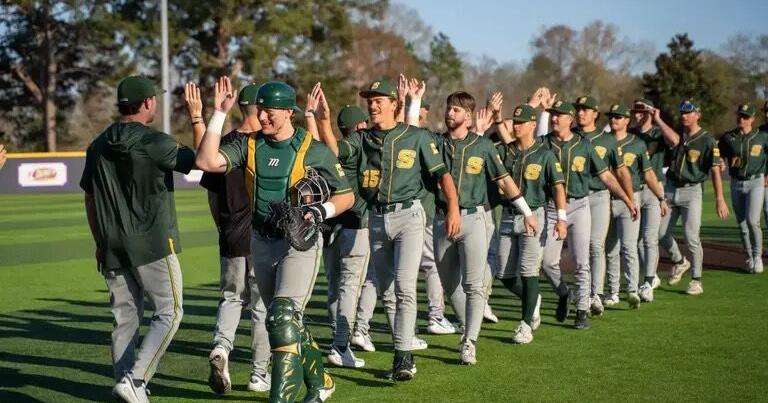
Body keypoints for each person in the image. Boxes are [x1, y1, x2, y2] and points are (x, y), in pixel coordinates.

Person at [195, 77, 353, 402]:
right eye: (260, 110)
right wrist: (218, 113)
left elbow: (347, 195)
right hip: (261, 241)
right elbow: (206, 162)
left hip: (299, 243)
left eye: (270, 111)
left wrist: (320, 211)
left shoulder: (313, 149)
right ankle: (322, 382)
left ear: (288, 112)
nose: (263, 116)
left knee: (282, 317)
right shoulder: (249, 144)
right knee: (282, 322)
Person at [80, 75, 194, 402]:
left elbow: (90, 198)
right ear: (147, 103)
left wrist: (100, 242)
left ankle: (126, 383)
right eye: (154, 98)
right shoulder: (155, 141)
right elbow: (200, 162)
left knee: (125, 319)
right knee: (170, 312)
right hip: (152, 243)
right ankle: (136, 379)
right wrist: (198, 117)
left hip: (112, 245)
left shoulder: (97, 145)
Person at [337, 78, 461, 381]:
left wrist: (453, 208)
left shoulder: (417, 136)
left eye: (379, 100)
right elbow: (333, 151)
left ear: (394, 104)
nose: (372, 105)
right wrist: (319, 119)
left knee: (405, 286)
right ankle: (402, 350)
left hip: (409, 216)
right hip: (377, 218)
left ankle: (403, 355)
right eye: (370, 100)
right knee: (387, 290)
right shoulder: (362, 138)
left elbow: (442, 175)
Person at [429, 91, 535, 364]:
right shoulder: (435, 142)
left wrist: (527, 212)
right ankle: (468, 326)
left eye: (456, 109)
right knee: (449, 284)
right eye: (448, 108)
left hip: (474, 220)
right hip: (442, 220)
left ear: (468, 116)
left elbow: (505, 181)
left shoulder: (484, 146)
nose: (449, 113)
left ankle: (470, 341)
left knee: (474, 285)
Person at [540, 100, 637, 329]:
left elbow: (607, 176)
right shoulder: (543, 143)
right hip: (552, 208)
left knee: (582, 262)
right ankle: (564, 293)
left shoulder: (584, 145)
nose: (555, 118)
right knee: (547, 262)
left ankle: (582, 310)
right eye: (553, 114)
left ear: (569, 119)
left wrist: (627, 199)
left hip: (580, 206)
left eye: (559, 115)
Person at [199, 83, 270, 394]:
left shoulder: (224, 143)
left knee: (231, 298)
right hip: (262, 235)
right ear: (262, 108)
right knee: (261, 305)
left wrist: (223, 227)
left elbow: (213, 198)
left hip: (230, 233)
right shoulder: (267, 144)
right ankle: (258, 374)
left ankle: (221, 347)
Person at [495, 103, 566, 343]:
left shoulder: (545, 154)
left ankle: (525, 325)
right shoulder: (505, 151)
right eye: (514, 122)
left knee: (528, 271)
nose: (516, 126)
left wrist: (561, 219)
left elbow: (558, 187)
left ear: (532, 125)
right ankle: (533, 299)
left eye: (521, 122)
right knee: (504, 274)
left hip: (534, 216)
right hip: (508, 215)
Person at [655, 100, 729, 295]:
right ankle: (680, 261)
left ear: (698, 115)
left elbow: (715, 170)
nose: (684, 116)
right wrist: (658, 119)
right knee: (660, 233)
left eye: (689, 112)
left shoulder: (707, 140)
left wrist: (719, 199)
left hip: (692, 191)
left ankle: (696, 280)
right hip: (670, 189)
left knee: (691, 237)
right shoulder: (678, 135)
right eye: (682, 112)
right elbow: (670, 140)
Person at [572, 95, 634, 316]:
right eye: (578, 109)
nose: (581, 113)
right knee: (578, 249)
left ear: (595, 114)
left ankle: (595, 294)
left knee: (596, 245)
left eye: (586, 109)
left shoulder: (607, 140)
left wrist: (629, 199)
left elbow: (621, 171)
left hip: (598, 197)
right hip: (575, 198)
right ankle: (581, 290)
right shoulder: (570, 136)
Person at [603, 104, 668, 307]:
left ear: (626, 121)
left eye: (618, 117)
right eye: (611, 116)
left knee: (629, 246)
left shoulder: (637, 143)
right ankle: (613, 291)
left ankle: (632, 289)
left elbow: (648, 174)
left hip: (631, 199)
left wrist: (661, 198)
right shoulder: (602, 141)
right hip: (606, 199)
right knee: (610, 248)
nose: (613, 120)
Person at [718, 104, 768, 274]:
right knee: (742, 223)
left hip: (756, 181)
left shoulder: (762, 136)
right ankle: (749, 256)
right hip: (736, 182)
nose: (742, 119)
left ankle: (758, 256)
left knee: (752, 220)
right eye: (740, 115)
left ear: (752, 119)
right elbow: (719, 153)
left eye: (746, 117)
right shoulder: (728, 137)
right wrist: (721, 161)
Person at [631, 99, 666, 297]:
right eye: (635, 111)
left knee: (650, 238)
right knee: (636, 240)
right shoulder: (630, 134)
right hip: (634, 189)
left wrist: (658, 119)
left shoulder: (658, 133)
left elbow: (675, 141)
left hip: (654, 188)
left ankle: (649, 281)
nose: (637, 115)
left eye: (642, 111)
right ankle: (649, 276)